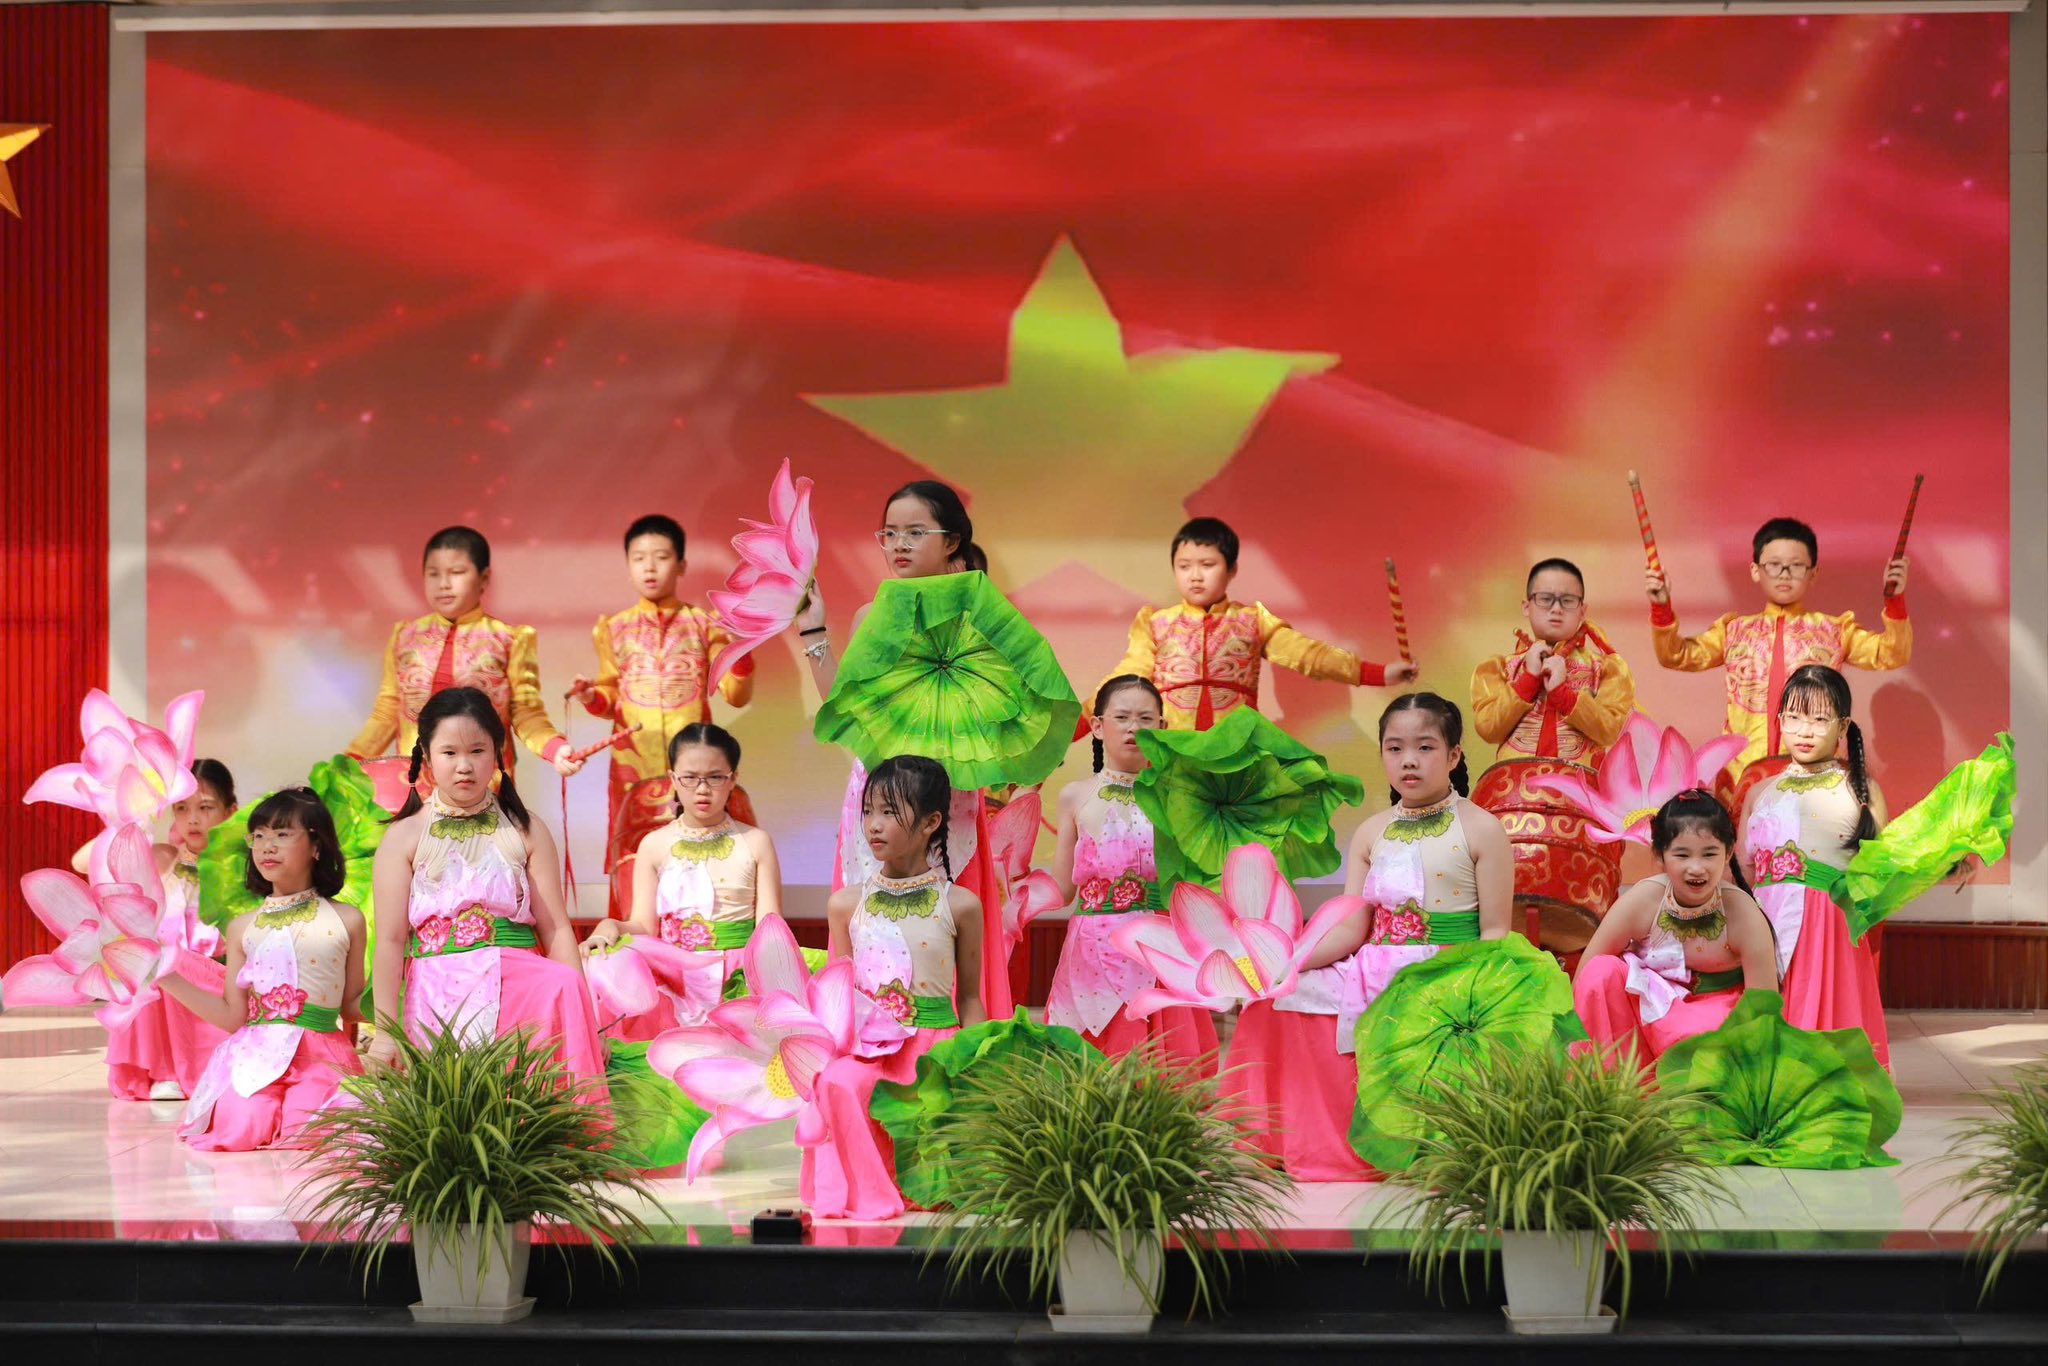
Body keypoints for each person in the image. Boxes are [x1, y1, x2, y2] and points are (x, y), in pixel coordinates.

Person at [793, 479, 1014, 1017]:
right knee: (872, 928)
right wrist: (814, 630)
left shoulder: (981, 617)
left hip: (946, 789)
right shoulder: (872, 615)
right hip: (879, 787)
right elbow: (846, 710)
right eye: (889, 533)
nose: (899, 544)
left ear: (953, 541)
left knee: (947, 932)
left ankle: (955, 1044)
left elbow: (997, 710)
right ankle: (867, 1040)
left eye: (915, 532)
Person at [364, 687, 605, 1085]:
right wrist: (385, 1035)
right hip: (437, 994)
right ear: (426, 757)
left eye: (477, 751)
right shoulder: (403, 837)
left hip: (520, 988)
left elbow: (556, 928)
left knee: (559, 985)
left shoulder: (526, 828)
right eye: (449, 753)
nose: (464, 766)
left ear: (497, 753)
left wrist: (587, 1023)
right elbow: (390, 941)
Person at [803, 757, 986, 1219]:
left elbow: (969, 997)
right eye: (868, 811)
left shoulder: (961, 904)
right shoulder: (846, 904)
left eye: (889, 812)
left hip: (934, 1050)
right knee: (839, 1081)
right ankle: (866, 1192)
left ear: (930, 822)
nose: (873, 824)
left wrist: (979, 1063)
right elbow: (840, 997)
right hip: (871, 1051)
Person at [159, 788, 367, 1150]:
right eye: (258, 836)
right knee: (241, 1129)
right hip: (254, 1056)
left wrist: (397, 998)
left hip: (321, 1056)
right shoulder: (242, 927)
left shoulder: (348, 919)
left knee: (311, 1132)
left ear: (317, 846)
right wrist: (165, 977)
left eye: (282, 834)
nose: (267, 846)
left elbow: (351, 1007)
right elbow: (232, 1017)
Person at [569, 515, 755, 909]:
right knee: (633, 862)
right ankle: (635, 937)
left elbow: (736, 695)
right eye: (639, 558)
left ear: (681, 565)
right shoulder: (613, 628)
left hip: (696, 770)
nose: (649, 567)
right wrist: (590, 697)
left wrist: (742, 651)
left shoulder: (705, 625)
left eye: (661, 557)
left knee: (702, 860)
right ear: (628, 566)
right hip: (632, 769)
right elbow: (611, 698)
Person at [1042, 676, 1217, 1070]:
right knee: (1089, 1069)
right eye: (1121, 717)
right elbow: (1062, 890)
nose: (1133, 728)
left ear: (1163, 727)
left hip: (1159, 945)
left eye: (1145, 719)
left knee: (1162, 1070)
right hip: (1090, 949)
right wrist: (1013, 891)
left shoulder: (1178, 797)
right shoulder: (1074, 795)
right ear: (1097, 726)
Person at [1648, 517, 1910, 774]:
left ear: (1813, 573)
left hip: (1813, 772)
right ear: (1755, 570)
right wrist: (1661, 609)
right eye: (1774, 565)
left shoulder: (1834, 631)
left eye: (1796, 566)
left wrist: (1895, 602)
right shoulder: (1733, 631)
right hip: (1742, 774)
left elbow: (1890, 654)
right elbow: (1676, 654)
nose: (1785, 574)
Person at [1105, 516, 1414, 732]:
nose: (1195, 576)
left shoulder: (1252, 621)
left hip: (1239, 754)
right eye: (1184, 566)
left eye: (1208, 565)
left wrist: (1380, 674)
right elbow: (1123, 681)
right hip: (1171, 756)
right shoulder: (1156, 623)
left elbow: (1310, 655)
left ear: (1232, 570)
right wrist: (1081, 725)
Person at [580, 723, 784, 1038]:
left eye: (715, 777)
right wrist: (610, 925)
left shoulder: (756, 842)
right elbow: (643, 926)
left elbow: (770, 928)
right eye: (690, 778)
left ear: (733, 779)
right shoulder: (654, 844)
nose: (702, 789)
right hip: (674, 978)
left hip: (739, 978)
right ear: (673, 779)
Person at [1737, 665, 1891, 1064]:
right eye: (1794, 717)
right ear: (1779, 721)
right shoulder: (1759, 792)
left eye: (1820, 719)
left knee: (1823, 1031)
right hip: (1765, 924)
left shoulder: (1860, 790)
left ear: (1843, 727)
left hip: (1828, 928)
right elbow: (1744, 867)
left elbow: (1882, 866)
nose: (1804, 730)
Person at [348, 525, 583, 780]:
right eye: (433, 574)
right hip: (417, 784)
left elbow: (526, 712)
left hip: (483, 782)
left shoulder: (509, 639)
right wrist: (347, 763)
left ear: (484, 578)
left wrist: (555, 749)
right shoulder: (406, 637)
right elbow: (386, 714)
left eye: (457, 572)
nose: (444, 584)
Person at [1574, 790, 1778, 1065]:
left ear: (1728, 852)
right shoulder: (1643, 900)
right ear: (1660, 855)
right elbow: (1585, 974)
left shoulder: (1744, 914)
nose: (1696, 868)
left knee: (1697, 1030)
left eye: (1709, 854)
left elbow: (1764, 1010)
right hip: (1648, 1014)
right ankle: (1612, 1081)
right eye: (1682, 855)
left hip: (1714, 1027)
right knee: (1599, 972)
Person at [97, 758, 238, 1101]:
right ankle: (165, 1070)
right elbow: (84, 861)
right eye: (181, 808)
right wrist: (133, 815)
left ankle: (187, 1068)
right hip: (171, 979)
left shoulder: (247, 865)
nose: (193, 819)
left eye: (206, 807)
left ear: (230, 811)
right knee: (151, 958)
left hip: (222, 980)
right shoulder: (164, 858)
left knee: (168, 962)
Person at [1471, 557, 1634, 765]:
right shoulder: (1501, 668)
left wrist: (1564, 696)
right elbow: (1488, 729)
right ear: (1526, 606)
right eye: (1545, 599)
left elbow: (1612, 731)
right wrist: (1528, 680)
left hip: (1580, 783)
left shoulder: (1604, 669)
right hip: (1515, 782)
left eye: (1568, 600)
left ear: (1582, 611)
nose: (1556, 608)